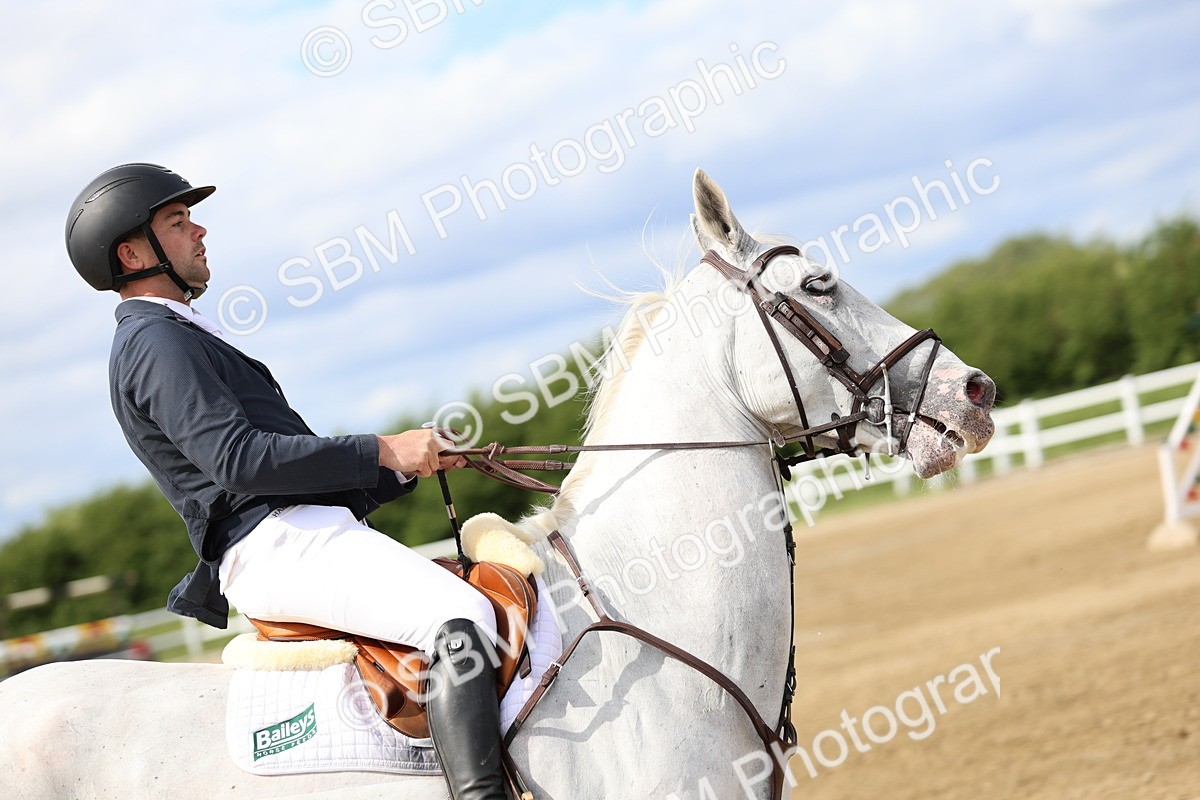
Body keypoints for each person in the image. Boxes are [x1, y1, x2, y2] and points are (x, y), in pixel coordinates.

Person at [65, 163, 508, 799]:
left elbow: (280, 474)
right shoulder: (154, 342)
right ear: (133, 253)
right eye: (178, 222)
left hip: (299, 531)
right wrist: (382, 447)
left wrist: (402, 466)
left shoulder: (178, 331)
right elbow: (239, 461)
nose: (200, 232)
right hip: (274, 546)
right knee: (459, 614)